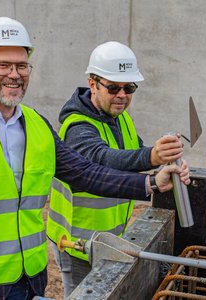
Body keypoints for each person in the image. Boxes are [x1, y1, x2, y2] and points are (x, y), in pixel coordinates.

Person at [0, 17, 189, 300]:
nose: (14, 74)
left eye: (22, 65)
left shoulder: (37, 125)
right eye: (3, 65)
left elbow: (85, 174)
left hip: (30, 277)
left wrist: (152, 182)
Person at [46, 41, 188, 298]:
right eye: (113, 87)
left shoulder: (120, 117)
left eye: (129, 87)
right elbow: (102, 159)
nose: (122, 94)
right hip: (77, 243)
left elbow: (132, 151)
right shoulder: (77, 127)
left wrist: (165, 165)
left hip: (108, 237)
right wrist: (152, 157)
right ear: (93, 84)